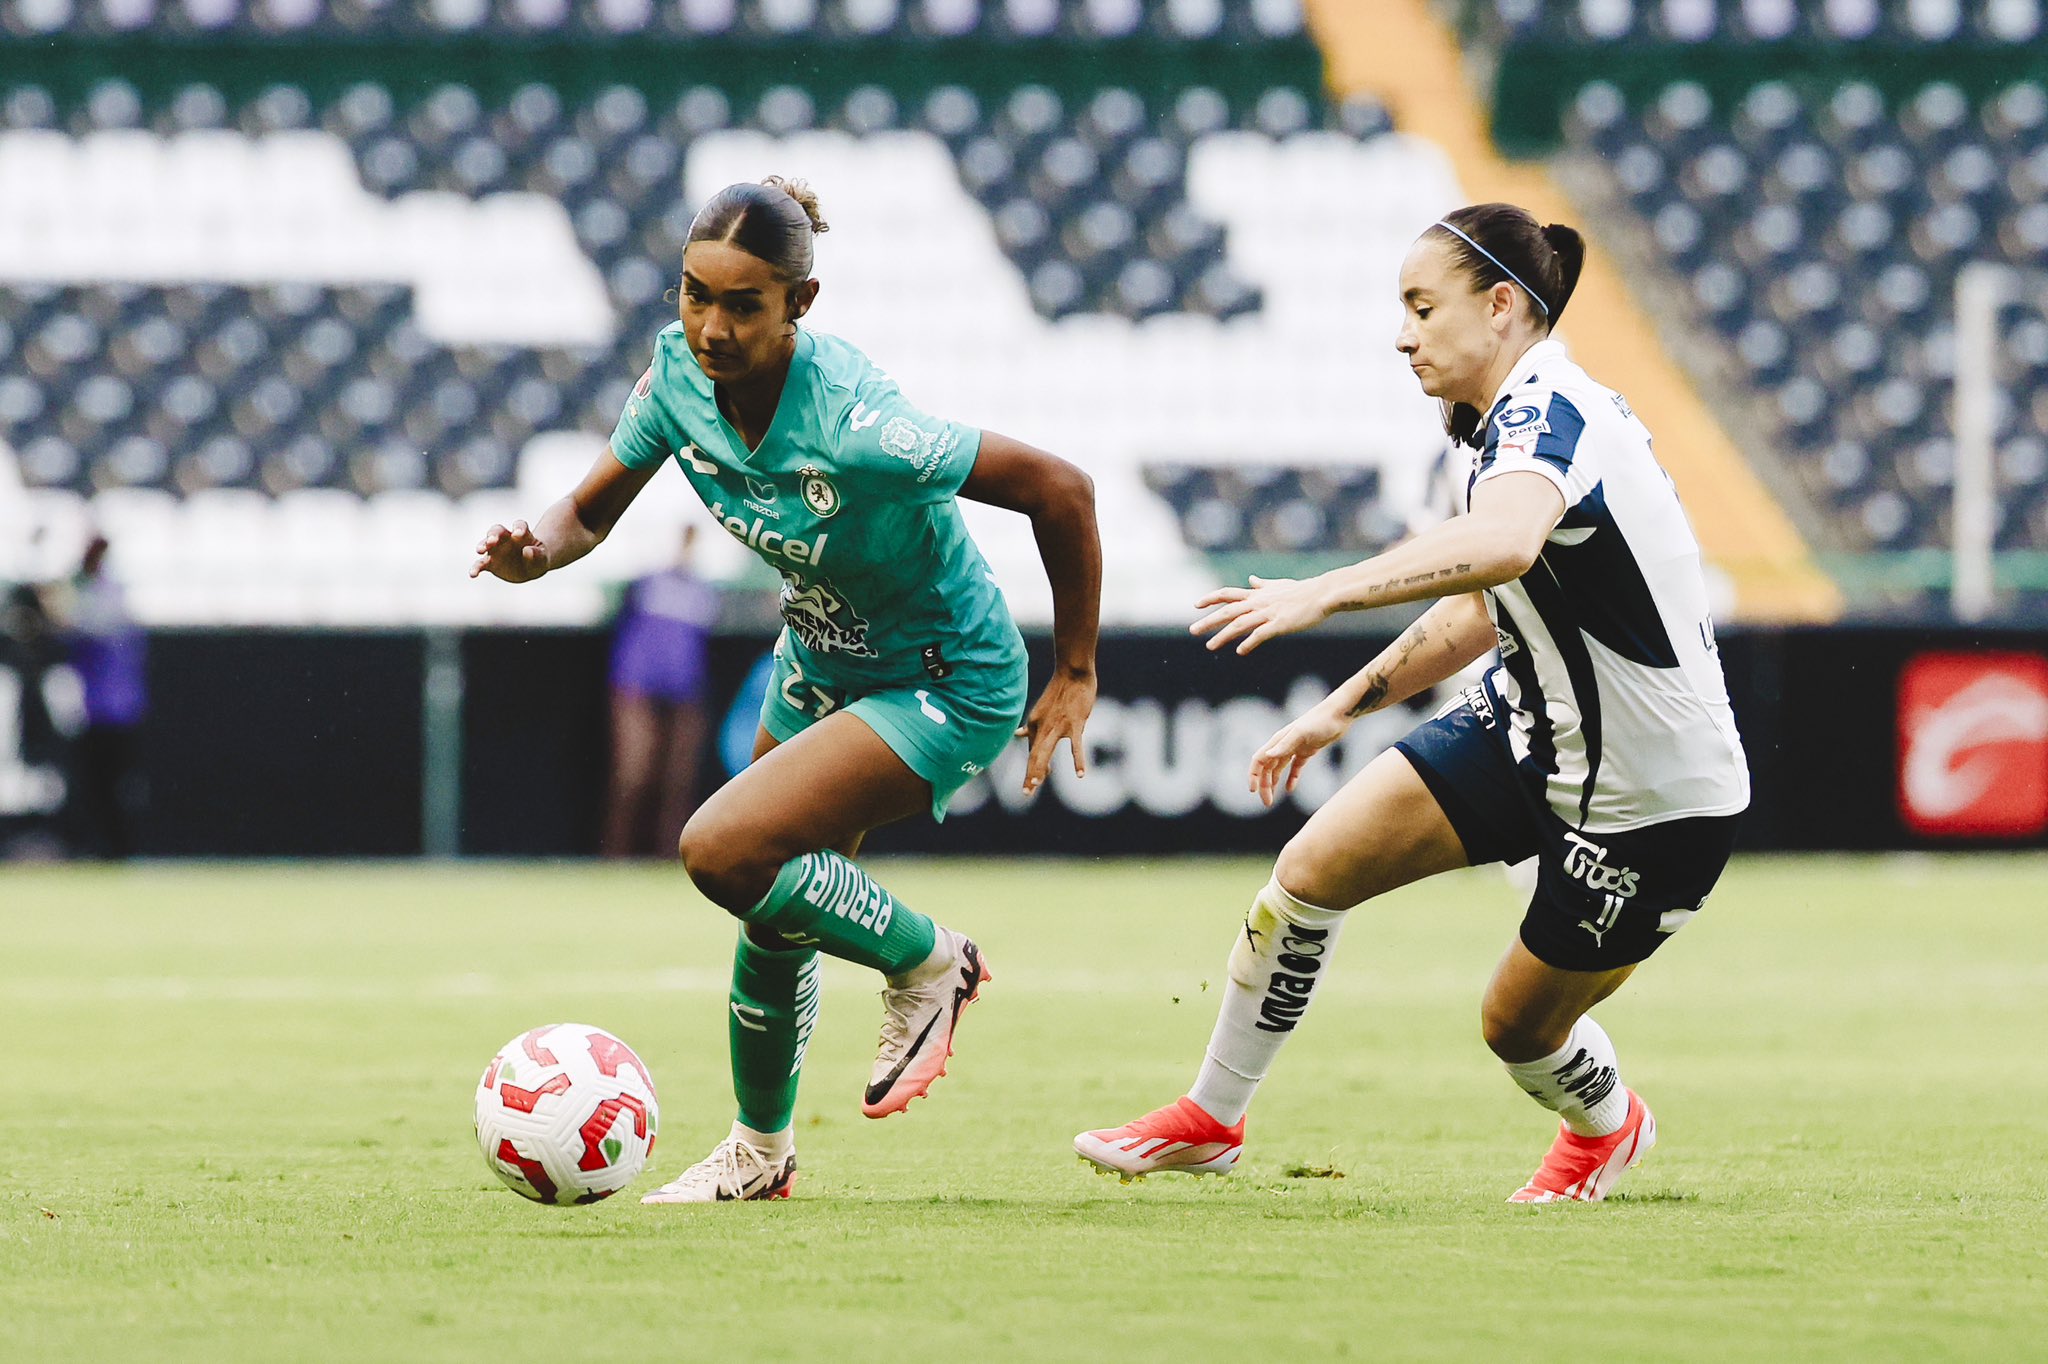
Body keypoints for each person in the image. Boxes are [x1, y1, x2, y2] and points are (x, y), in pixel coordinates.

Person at [1075, 203, 1748, 1203]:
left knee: (1516, 1030)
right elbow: (1485, 602)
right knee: (1306, 872)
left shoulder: (1548, 413)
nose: (1402, 332)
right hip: (1529, 727)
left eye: (1421, 306)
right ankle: (1212, 1115)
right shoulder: (1488, 432)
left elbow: (1505, 543)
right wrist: (1340, 705)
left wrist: (1325, 587)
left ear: (1502, 305)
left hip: (1650, 799)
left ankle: (1607, 1124)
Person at [472, 177, 1101, 1203]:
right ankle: (760, 1154)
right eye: (693, 294)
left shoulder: (860, 423)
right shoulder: (674, 374)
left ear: (798, 306)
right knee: (772, 904)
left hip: (944, 673)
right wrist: (532, 550)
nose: (709, 326)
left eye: (741, 304)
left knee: (723, 848)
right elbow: (588, 511)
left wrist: (1074, 668)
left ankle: (931, 960)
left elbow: (1059, 488)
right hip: (820, 657)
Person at [603, 524, 719, 858]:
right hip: (637, 686)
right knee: (633, 774)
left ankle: (670, 856)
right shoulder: (645, 584)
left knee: (678, 780)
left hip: (684, 689)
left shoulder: (703, 592)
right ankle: (616, 857)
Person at [55, 534, 148, 860]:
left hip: (110, 708)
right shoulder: (104, 593)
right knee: (98, 785)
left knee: (109, 784)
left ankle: (117, 849)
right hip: (103, 707)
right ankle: (107, 847)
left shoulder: (105, 595)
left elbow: (82, 626)